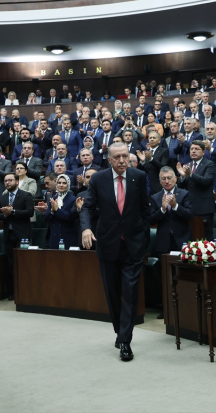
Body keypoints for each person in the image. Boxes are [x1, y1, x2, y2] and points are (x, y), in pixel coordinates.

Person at [80, 143, 151, 361]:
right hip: (108, 244)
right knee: (112, 294)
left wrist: (143, 237)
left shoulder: (138, 176)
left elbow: (144, 210)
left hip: (133, 245)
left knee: (130, 293)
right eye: (117, 157)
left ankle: (125, 341)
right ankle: (119, 331)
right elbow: (88, 207)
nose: (122, 160)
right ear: (109, 160)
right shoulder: (99, 179)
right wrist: (86, 228)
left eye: (125, 156)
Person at [0, 173, 34, 300]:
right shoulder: (3, 197)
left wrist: (13, 212)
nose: (7, 183)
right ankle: (14, 292)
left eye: (10, 180)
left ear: (17, 181)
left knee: (22, 264)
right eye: (5, 181)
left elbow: (30, 212)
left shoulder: (25, 195)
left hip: (22, 235)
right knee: (11, 265)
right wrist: (5, 215)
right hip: (8, 235)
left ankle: (26, 291)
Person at [176, 141, 216, 240]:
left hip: (204, 208)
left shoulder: (209, 164)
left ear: (203, 152)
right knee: (191, 237)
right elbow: (182, 187)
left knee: (206, 238)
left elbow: (206, 181)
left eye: (197, 149)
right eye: (192, 149)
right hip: (189, 208)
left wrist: (190, 175)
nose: (193, 151)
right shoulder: (187, 165)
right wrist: (182, 176)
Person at [150, 166, 194, 254]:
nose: (167, 181)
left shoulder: (185, 194)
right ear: (160, 181)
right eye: (163, 179)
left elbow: (190, 215)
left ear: (175, 178)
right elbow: (151, 220)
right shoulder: (155, 197)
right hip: (163, 242)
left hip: (182, 240)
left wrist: (175, 206)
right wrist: (162, 209)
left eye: (169, 178)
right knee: (164, 267)